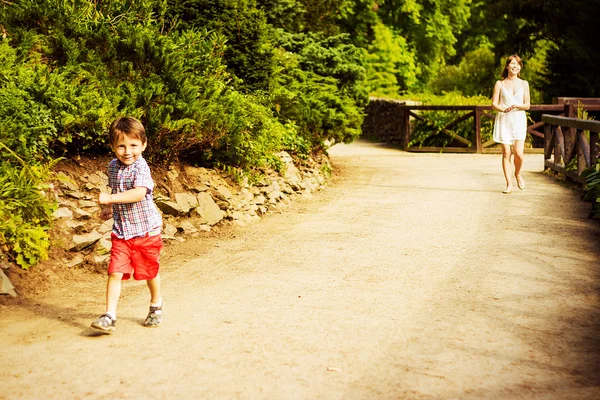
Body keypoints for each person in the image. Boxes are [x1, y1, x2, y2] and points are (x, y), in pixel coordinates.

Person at [91, 117, 164, 334]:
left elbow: (138, 193)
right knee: (114, 272)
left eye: (133, 145)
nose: (127, 151)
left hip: (146, 231)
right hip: (122, 232)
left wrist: (110, 200)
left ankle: (156, 303)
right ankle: (109, 315)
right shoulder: (113, 166)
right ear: (113, 146)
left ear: (143, 144)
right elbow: (117, 191)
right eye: (121, 145)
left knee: (149, 272)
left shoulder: (141, 167)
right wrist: (109, 209)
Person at [491, 54, 530, 194]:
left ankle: (517, 174)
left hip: (519, 120)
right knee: (507, 152)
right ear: (507, 66)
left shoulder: (524, 83)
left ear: (520, 67)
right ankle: (508, 184)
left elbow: (527, 105)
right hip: (504, 120)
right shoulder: (499, 84)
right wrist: (503, 109)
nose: (515, 66)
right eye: (512, 63)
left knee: (519, 153)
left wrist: (515, 107)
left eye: (517, 64)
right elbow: (494, 103)